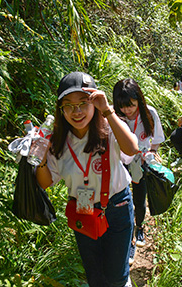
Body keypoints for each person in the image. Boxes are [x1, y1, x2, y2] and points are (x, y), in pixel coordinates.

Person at [35, 71, 139, 287]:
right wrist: (40, 156)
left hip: (116, 207)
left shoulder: (110, 128)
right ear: (61, 109)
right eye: (69, 105)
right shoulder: (57, 142)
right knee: (95, 274)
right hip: (82, 210)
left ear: (95, 104)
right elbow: (45, 182)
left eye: (83, 103)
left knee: (116, 276)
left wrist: (107, 110)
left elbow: (132, 149)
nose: (77, 111)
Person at [112, 79, 165, 263]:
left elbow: (156, 139)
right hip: (118, 162)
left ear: (139, 100)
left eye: (131, 105)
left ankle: (139, 227)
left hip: (140, 162)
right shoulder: (114, 115)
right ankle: (125, 233)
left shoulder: (149, 113)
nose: (127, 110)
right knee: (121, 198)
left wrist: (152, 153)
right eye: (123, 106)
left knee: (139, 197)